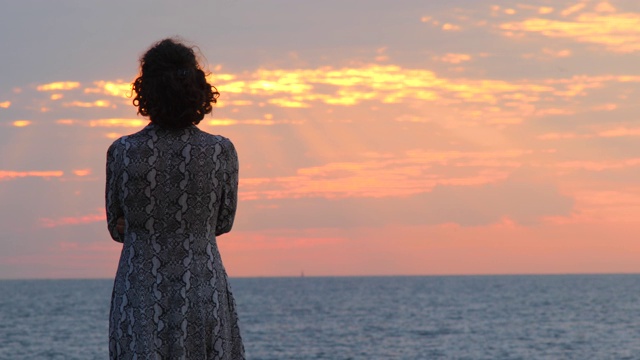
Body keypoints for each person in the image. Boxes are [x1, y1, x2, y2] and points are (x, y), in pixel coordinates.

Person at [105, 38, 245, 359]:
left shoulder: (122, 152)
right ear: (195, 86)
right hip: (200, 283)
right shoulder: (220, 151)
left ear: (146, 90)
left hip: (139, 288)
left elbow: (117, 228)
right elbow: (223, 223)